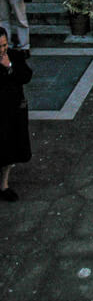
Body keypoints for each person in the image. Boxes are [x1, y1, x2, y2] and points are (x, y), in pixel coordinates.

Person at [0, 26, 31, 202]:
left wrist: (10, 66)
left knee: (10, 150)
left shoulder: (14, 56)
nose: (2, 50)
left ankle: (4, 185)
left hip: (12, 113)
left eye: (4, 45)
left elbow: (26, 76)